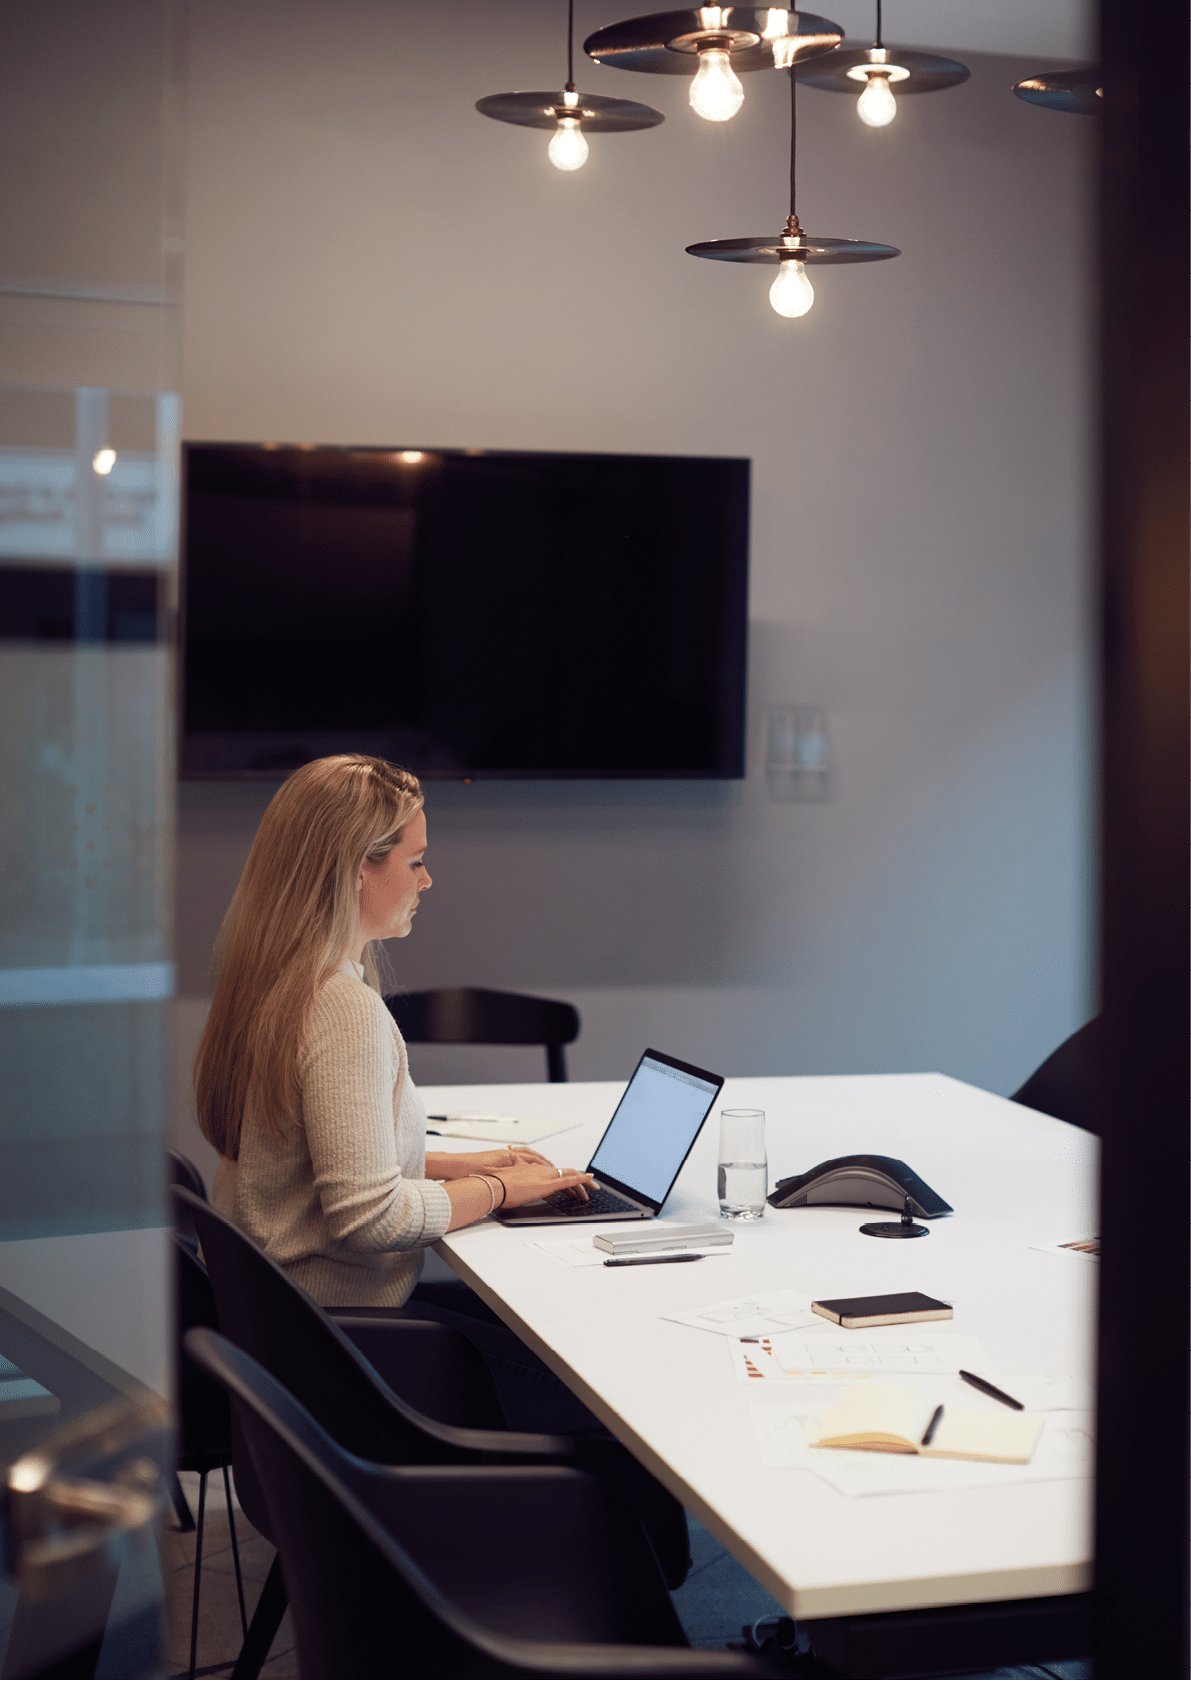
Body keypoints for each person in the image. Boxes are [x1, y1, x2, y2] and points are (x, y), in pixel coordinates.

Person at [192, 754, 690, 1584]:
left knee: (558, 1335)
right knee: (622, 1396)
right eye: (415, 860)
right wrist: (495, 1191)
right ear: (357, 868)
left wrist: (477, 1163)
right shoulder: (342, 1009)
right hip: (357, 1356)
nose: (430, 878)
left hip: (306, 1344)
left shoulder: (277, 983)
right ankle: (615, 1612)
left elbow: (328, 1162)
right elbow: (367, 1216)